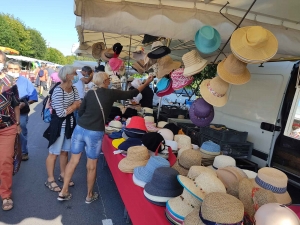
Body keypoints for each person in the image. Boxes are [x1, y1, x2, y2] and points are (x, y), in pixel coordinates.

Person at [58, 72, 153, 202]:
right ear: (104, 81)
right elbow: (133, 93)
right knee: (91, 164)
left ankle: (63, 191)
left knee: (74, 160)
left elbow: (80, 111)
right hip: (94, 132)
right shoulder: (111, 93)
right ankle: (89, 195)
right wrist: (147, 83)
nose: (109, 81)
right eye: (108, 79)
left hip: (80, 129)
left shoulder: (90, 93)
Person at [43, 66, 81, 192]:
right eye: (74, 73)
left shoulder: (74, 88)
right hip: (58, 126)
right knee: (53, 153)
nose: (76, 75)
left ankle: (63, 174)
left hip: (70, 124)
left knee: (65, 151)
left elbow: (79, 102)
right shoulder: (58, 91)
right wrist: (72, 107)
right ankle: (50, 179)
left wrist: (73, 106)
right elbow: (59, 113)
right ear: (68, 76)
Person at [0, 50, 21, 211]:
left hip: (7, 128)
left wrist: (19, 123)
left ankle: (5, 194)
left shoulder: (10, 82)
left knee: (6, 161)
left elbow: (15, 104)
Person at [6, 59, 38, 161]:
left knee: (21, 131)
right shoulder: (3, 81)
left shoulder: (25, 81)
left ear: (20, 70)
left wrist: (26, 103)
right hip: (5, 113)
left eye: (15, 69)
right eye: (10, 68)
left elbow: (33, 96)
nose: (13, 71)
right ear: (6, 69)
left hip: (21, 112)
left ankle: (23, 151)